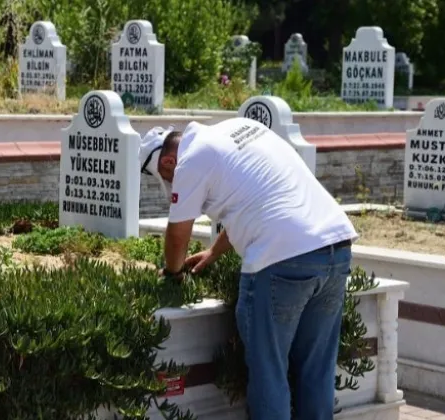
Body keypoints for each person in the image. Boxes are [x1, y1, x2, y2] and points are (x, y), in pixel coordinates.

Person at [138, 117, 359, 420]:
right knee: (316, 369)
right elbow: (259, 199)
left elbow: (178, 234)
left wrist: (173, 273)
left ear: (168, 161)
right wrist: (214, 251)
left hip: (281, 260)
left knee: (269, 372)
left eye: (164, 175)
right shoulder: (242, 128)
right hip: (335, 249)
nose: (169, 182)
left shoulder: (189, 161)